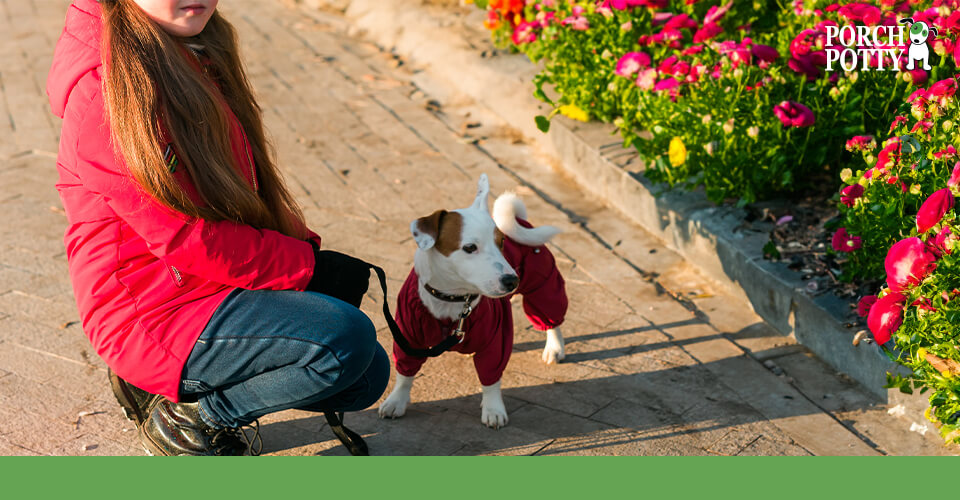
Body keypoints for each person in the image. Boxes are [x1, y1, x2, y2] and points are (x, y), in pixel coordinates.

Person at [46, 0, 389, 456]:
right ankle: (192, 419)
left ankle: (171, 386)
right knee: (342, 343)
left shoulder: (189, 48)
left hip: (205, 282)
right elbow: (183, 235)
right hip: (150, 311)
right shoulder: (108, 94)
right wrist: (307, 270)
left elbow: (245, 189)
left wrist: (307, 253)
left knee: (366, 376)